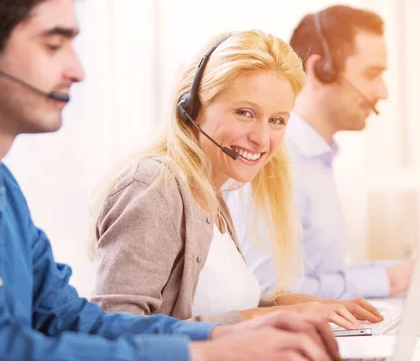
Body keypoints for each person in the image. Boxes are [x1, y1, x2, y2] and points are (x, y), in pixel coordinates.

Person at [0, 0, 342, 360]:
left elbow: (74, 319)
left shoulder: (4, 196)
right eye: (53, 45)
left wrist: (224, 336)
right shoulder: (153, 185)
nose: (76, 70)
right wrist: (204, 354)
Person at [89, 29, 383, 329]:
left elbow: (225, 307)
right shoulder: (153, 188)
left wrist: (304, 306)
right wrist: (268, 316)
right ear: (192, 108)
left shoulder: (212, 193)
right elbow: (116, 332)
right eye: (245, 113)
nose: (262, 138)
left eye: (277, 120)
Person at [225, 5, 420, 299]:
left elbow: (318, 273)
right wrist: (387, 280)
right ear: (321, 70)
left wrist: (408, 269)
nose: (383, 92)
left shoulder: (316, 158)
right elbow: (270, 290)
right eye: (372, 74)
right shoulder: (273, 158)